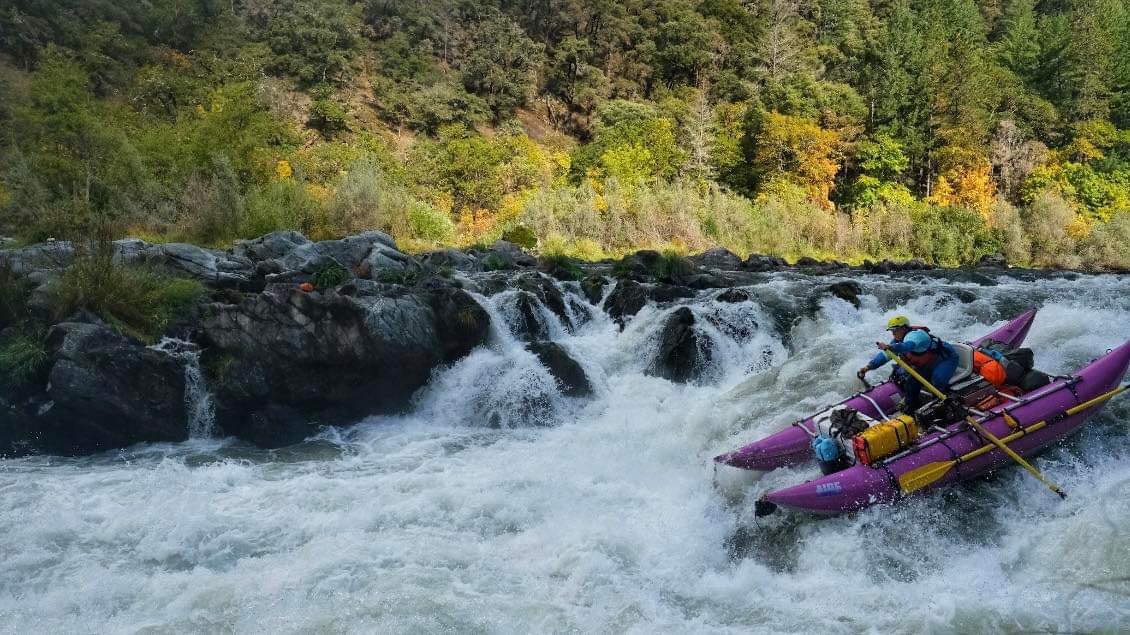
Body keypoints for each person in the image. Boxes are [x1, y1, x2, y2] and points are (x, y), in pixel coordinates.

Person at [857, 315, 960, 412]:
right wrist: (867, 367)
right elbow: (885, 356)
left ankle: (943, 405)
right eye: (892, 331)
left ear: (904, 328)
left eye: (895, 330)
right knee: (911, 383)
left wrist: (890, 347)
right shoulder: (897, 340)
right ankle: (912, 407)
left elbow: (908, 346)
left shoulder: (917, 335)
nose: (893, 333)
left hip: (945, 360)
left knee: (937, 380)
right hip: (927, 364)